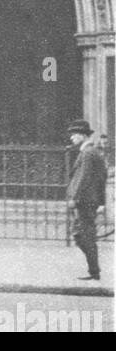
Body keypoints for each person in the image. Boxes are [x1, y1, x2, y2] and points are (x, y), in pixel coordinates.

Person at [67, 118, 107, 280]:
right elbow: (101, 177)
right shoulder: (90, 152)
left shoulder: (88, 153)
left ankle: (95, 271)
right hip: (88, 200)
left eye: (75, 135)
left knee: (84, 236)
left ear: (83, 136)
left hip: (84, 201)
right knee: (80, 235)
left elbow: (83, 178)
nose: (72, 138)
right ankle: (94, 270)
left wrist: (74, 198)